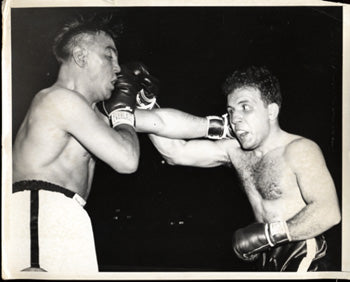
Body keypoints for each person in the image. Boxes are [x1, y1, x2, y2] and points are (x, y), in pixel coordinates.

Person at [133, 65, 341, 271]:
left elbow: (329, 211)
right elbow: (176, 153)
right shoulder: (235, 151)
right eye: (231, 111)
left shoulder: (300, 149)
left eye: (245, 107)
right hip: (265, 254)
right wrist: (146, 104)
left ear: (271, 111)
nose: (235, 119)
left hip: (302, 252)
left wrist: (270, 235)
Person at [7, 16, 155, 274]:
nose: (119, 68)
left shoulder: (91, 116)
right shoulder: (58, 100)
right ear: (81, 56)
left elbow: (161, 123)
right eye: (109, 57)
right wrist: (123, 112)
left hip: (68, 216)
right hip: (42, 215)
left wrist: (224, 127)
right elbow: (126, 159)